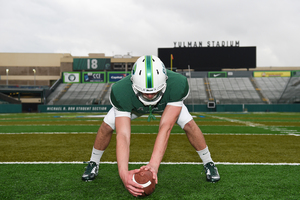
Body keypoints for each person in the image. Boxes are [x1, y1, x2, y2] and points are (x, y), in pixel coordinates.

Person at [82, 55, 220, 196]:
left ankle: (208, 162)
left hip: (166, 104)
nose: (149, 96)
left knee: (189, 125)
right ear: (132, 82)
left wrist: (153, 165)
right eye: (145, 92)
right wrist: (123, 173)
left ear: (165, 80)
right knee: (106, 127)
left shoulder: (177, 84)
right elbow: (123, 135)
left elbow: (165, 127)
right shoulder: (121, 90)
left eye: (154, 91)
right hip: (135, 106)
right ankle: (93, 162)